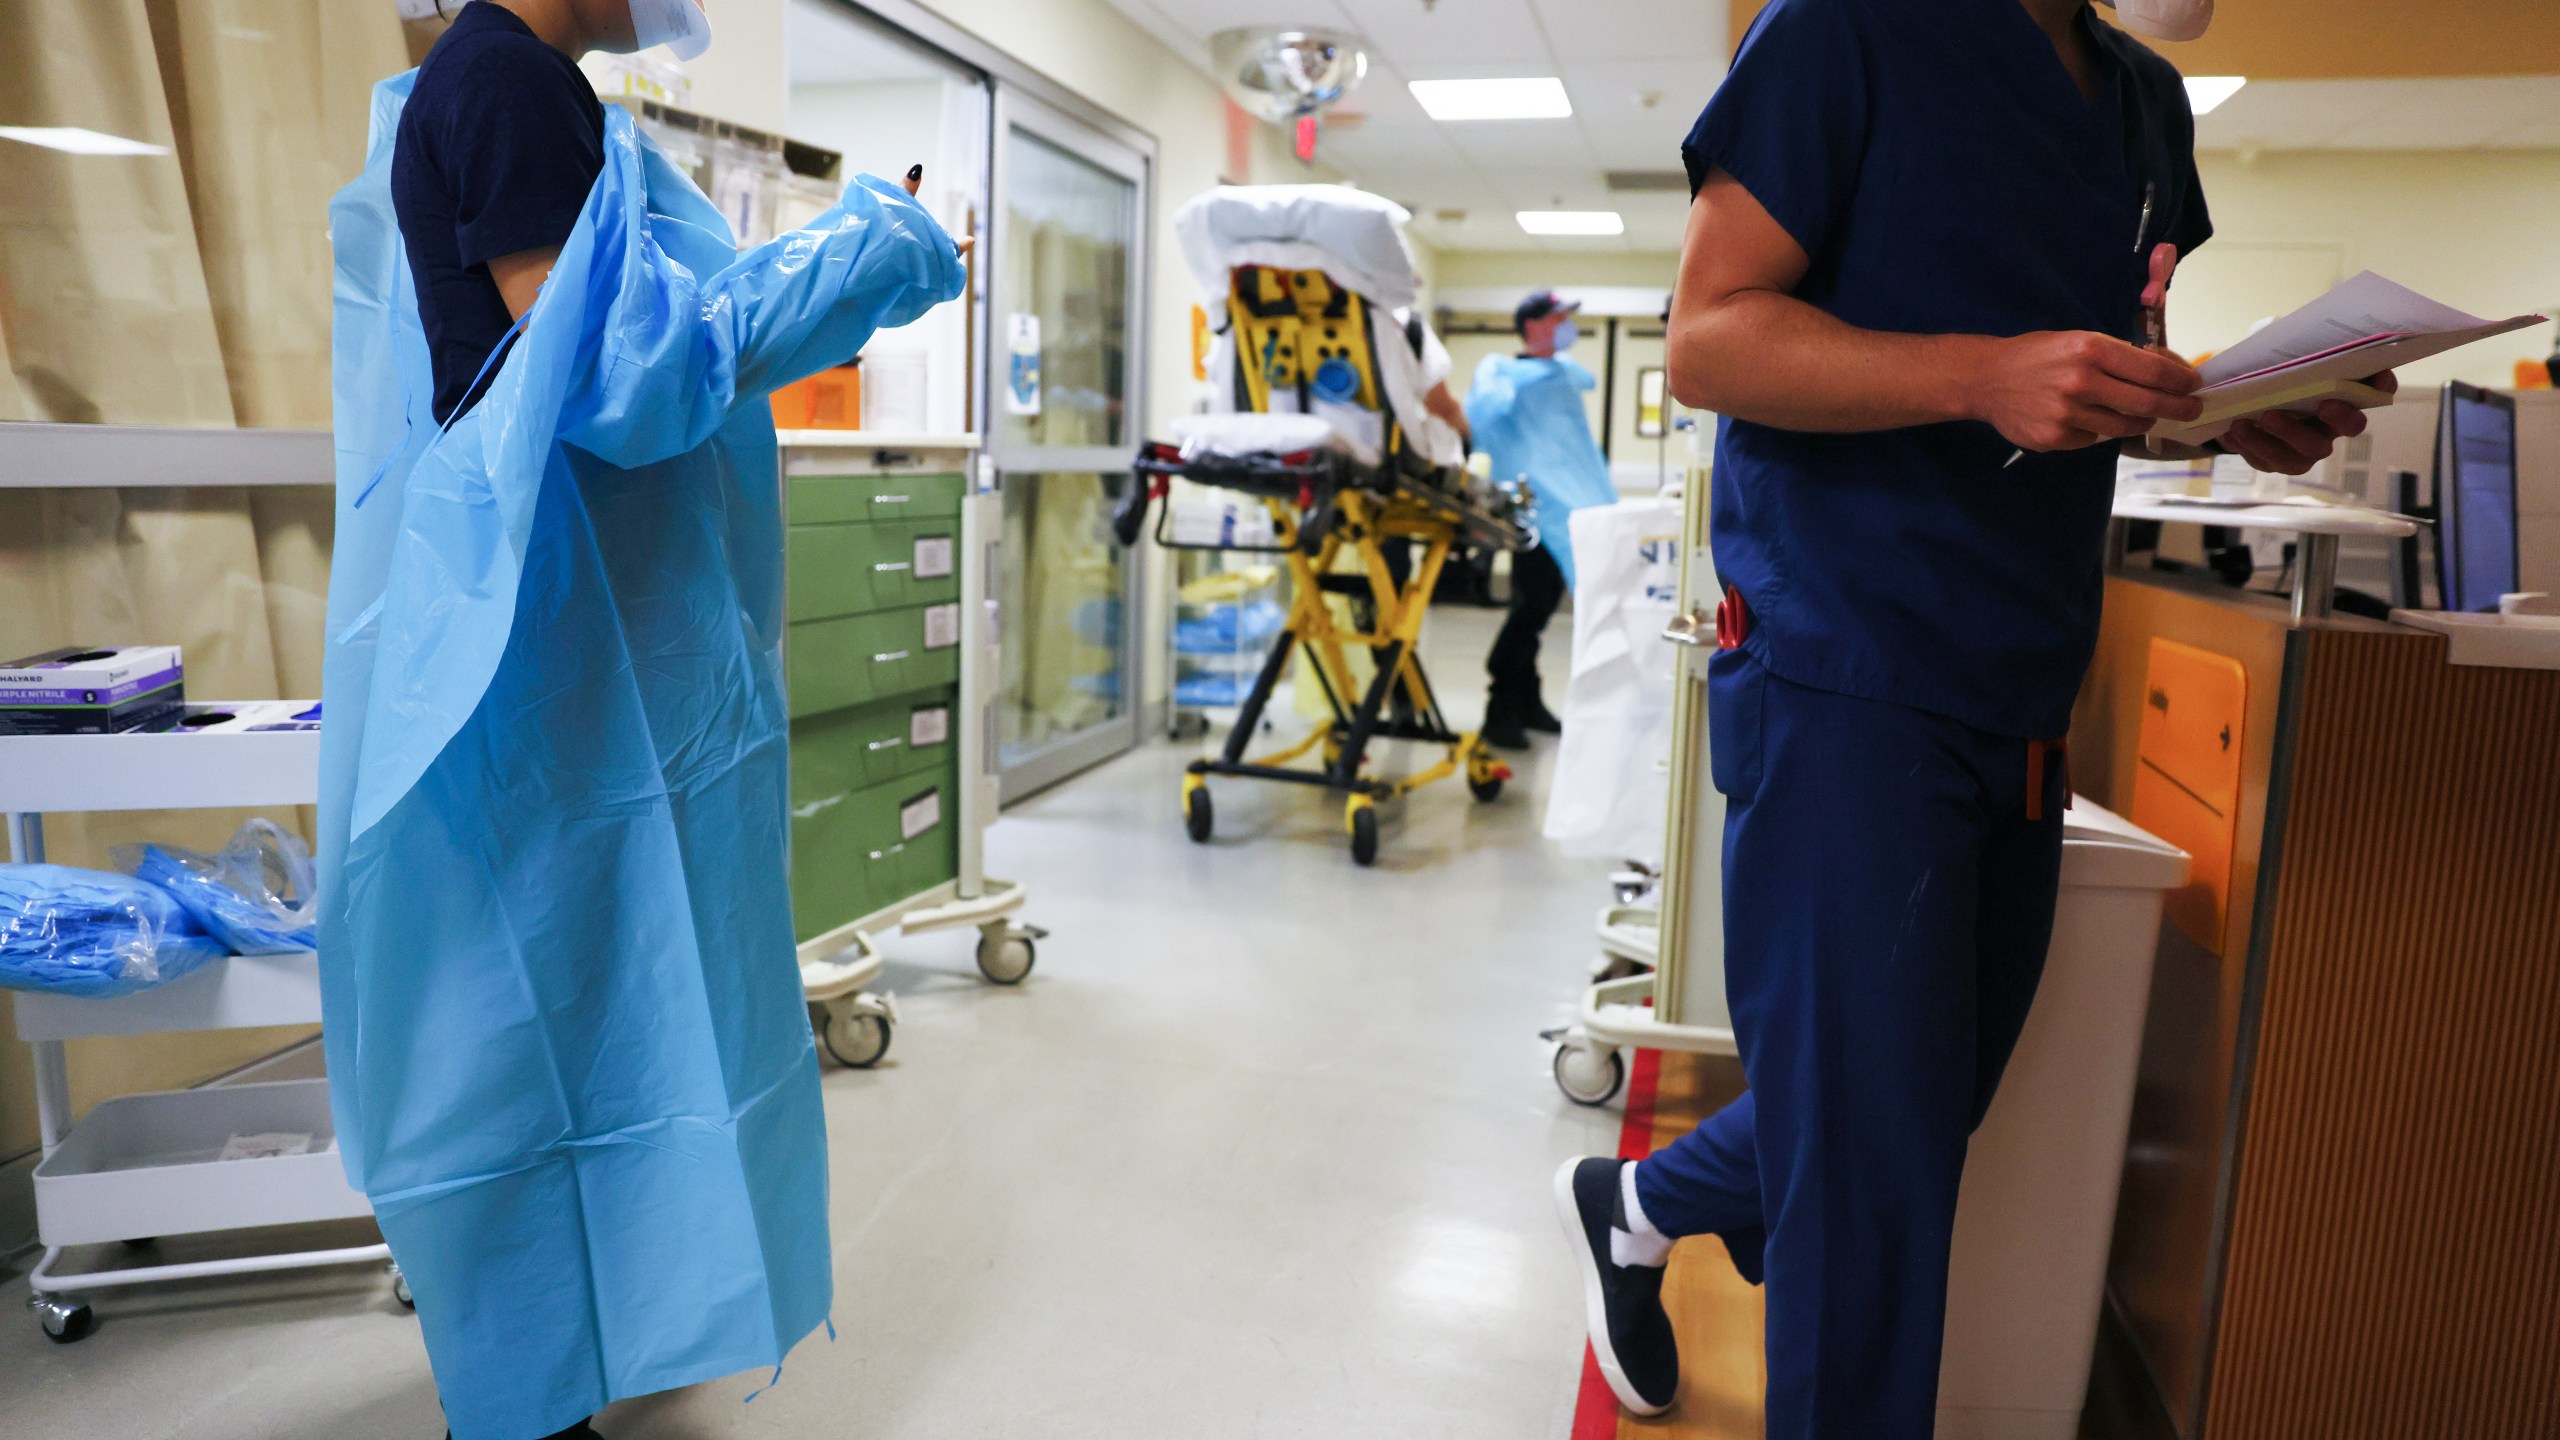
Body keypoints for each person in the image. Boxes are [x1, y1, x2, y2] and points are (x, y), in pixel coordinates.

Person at [1550, 0, 2388, 1434]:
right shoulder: (1845, 32)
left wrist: (2219, 408)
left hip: (2020, 677)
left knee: (1912, 1120)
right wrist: (1975, 373)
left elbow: (2102, 371)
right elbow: (1709, 341)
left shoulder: (2138, 99)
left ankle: (1637, 1199)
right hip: (1846, 669)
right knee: (1872, 1211)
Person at [325, 4, 969, 1439]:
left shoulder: (521, 86)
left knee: (605, 1000)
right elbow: (626, 376)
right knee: (530, 1026)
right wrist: (868, 255)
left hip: (585, 635)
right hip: (552, 645)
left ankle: (584, 1347)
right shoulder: (503, 85)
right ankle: (527, 1391)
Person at [1464, 291, 1618, 750]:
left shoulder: (1564, 375)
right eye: (1557, 318)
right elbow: (1479, 418)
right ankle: (1500, 709)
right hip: (1534, 513)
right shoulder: (1504, 373)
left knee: (1541, 609)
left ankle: (1527, 702)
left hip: (1576, 510)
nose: (1565, 325)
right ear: (1531, 326)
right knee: (1529, 609)